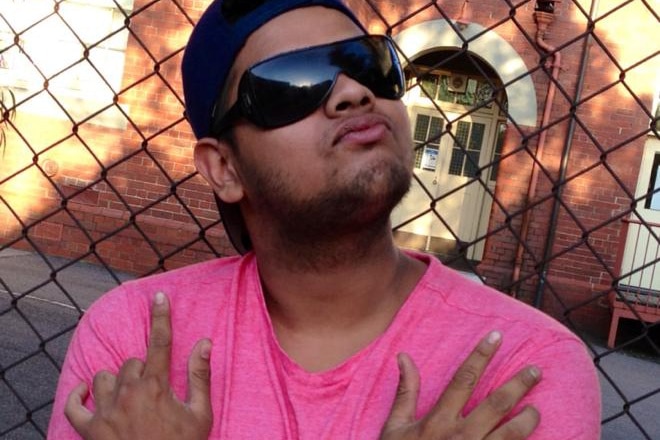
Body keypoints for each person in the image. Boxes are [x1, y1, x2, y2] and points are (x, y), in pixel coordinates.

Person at [47, 0, 602, 438]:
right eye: (293, 83)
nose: (355, 94)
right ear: (223, 168)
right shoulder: (131, 335)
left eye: (369, 64)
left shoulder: (526, 365)